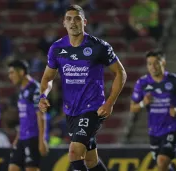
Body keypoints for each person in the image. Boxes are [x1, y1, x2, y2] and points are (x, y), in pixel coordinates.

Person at [39, 5, 127, 171]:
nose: (73, 22)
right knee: (91, 160)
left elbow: (120, 73)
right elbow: (47, 78)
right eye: (69, 19)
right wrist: (43, 95)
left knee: (74, 152)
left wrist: (110, 102)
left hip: (93, 108)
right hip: (71, 110)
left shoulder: (99, 46)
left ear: (84, 22)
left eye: (77, 18)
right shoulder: (57, 48)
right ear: (64, 23)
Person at [130, 50, 176, 171]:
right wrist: (143, 103)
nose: (153, 67)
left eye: (156, 63)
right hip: (154, 131)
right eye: (149, 64)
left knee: (161, 161)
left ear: (163, 63)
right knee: (163, 166)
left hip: (173, 128)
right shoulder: (142, 83)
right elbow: (132, 108)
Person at [7, 60, 48, 171]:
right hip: (22, 138)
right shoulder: (21, 91)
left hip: (33, 137)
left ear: (21, 72)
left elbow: (41, 116)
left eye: (12, 73)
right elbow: (23, 117)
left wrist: (42, 140)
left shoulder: (35, 89)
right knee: (12, 168)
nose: (10, 76)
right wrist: (17, 137)